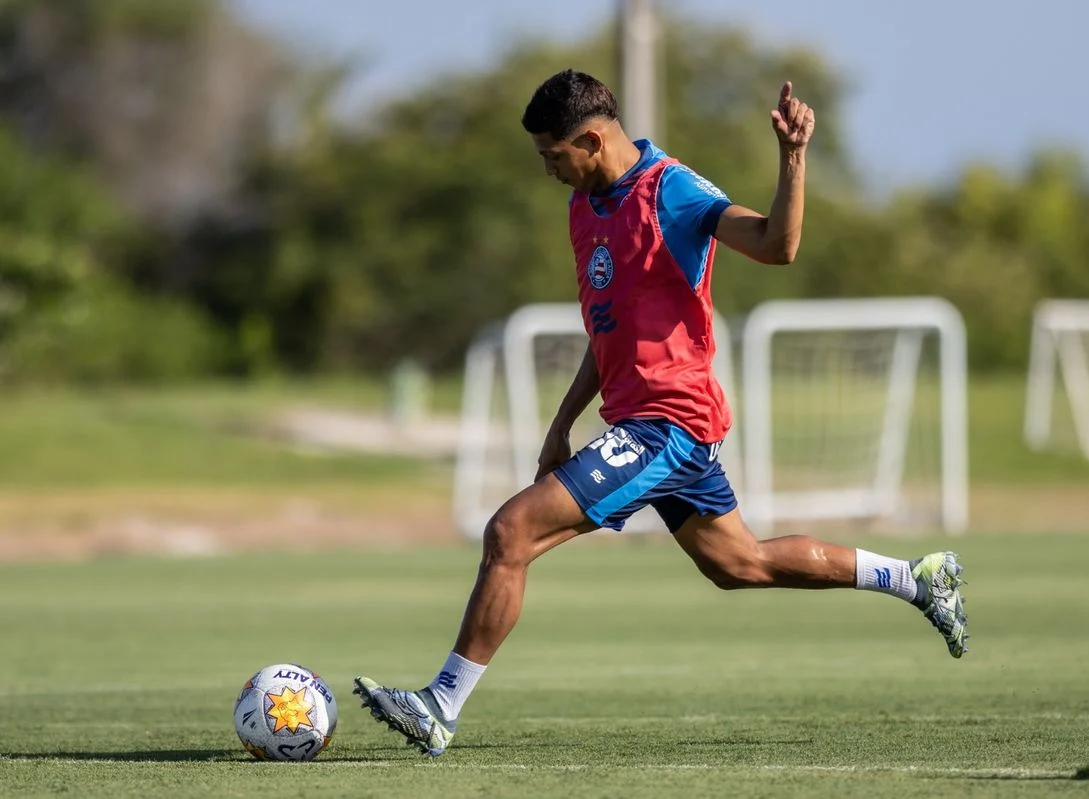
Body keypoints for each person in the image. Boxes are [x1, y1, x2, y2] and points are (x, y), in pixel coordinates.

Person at [353, 69, 968, 757]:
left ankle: (439, 705)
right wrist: (562, 423)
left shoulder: (671, 190)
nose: (547, 170)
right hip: (648, 428)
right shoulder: (584, 208)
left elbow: (777, 246)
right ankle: (916, 578)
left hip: (669, 426)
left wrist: (793, 157)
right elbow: (607, 332)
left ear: (591, 140)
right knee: (741, 563)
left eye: (553, 155)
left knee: (510, 531)